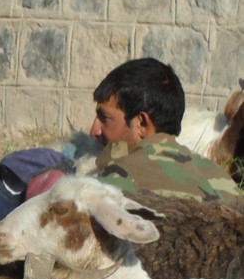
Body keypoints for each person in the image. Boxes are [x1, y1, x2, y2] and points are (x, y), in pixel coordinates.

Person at [87, 57, 240, 202]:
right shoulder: (227, 186)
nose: (94, 131)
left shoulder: (111, 187)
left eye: (104, 117)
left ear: (142, 123)